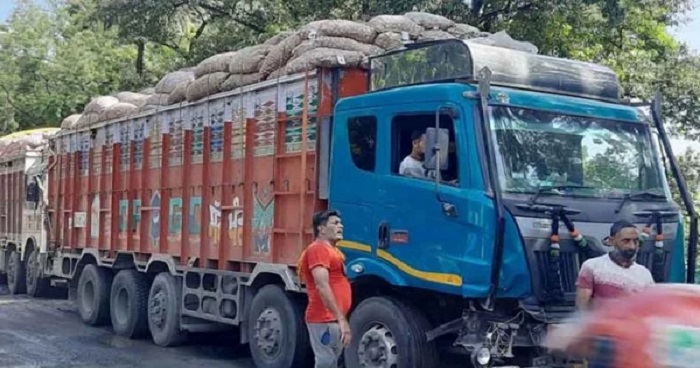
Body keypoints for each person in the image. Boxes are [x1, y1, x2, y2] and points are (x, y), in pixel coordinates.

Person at [297, 210, 352, 368]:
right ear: (321, 229)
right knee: (326, 362)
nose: (340, 226)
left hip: (332, 319)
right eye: (335, 223)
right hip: (323, 318)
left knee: (332, 362)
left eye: (340, 223)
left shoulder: (333, 252)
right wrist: (341, 319)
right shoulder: (318, 250)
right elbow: (322, 285)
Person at [575, 219, 655, 311]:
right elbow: (581, 307)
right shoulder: (592, 267)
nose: (632, 246)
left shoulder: (644, 274)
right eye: (626, 241)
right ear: (611, 241)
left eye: (635, 241)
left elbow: (649, 309)